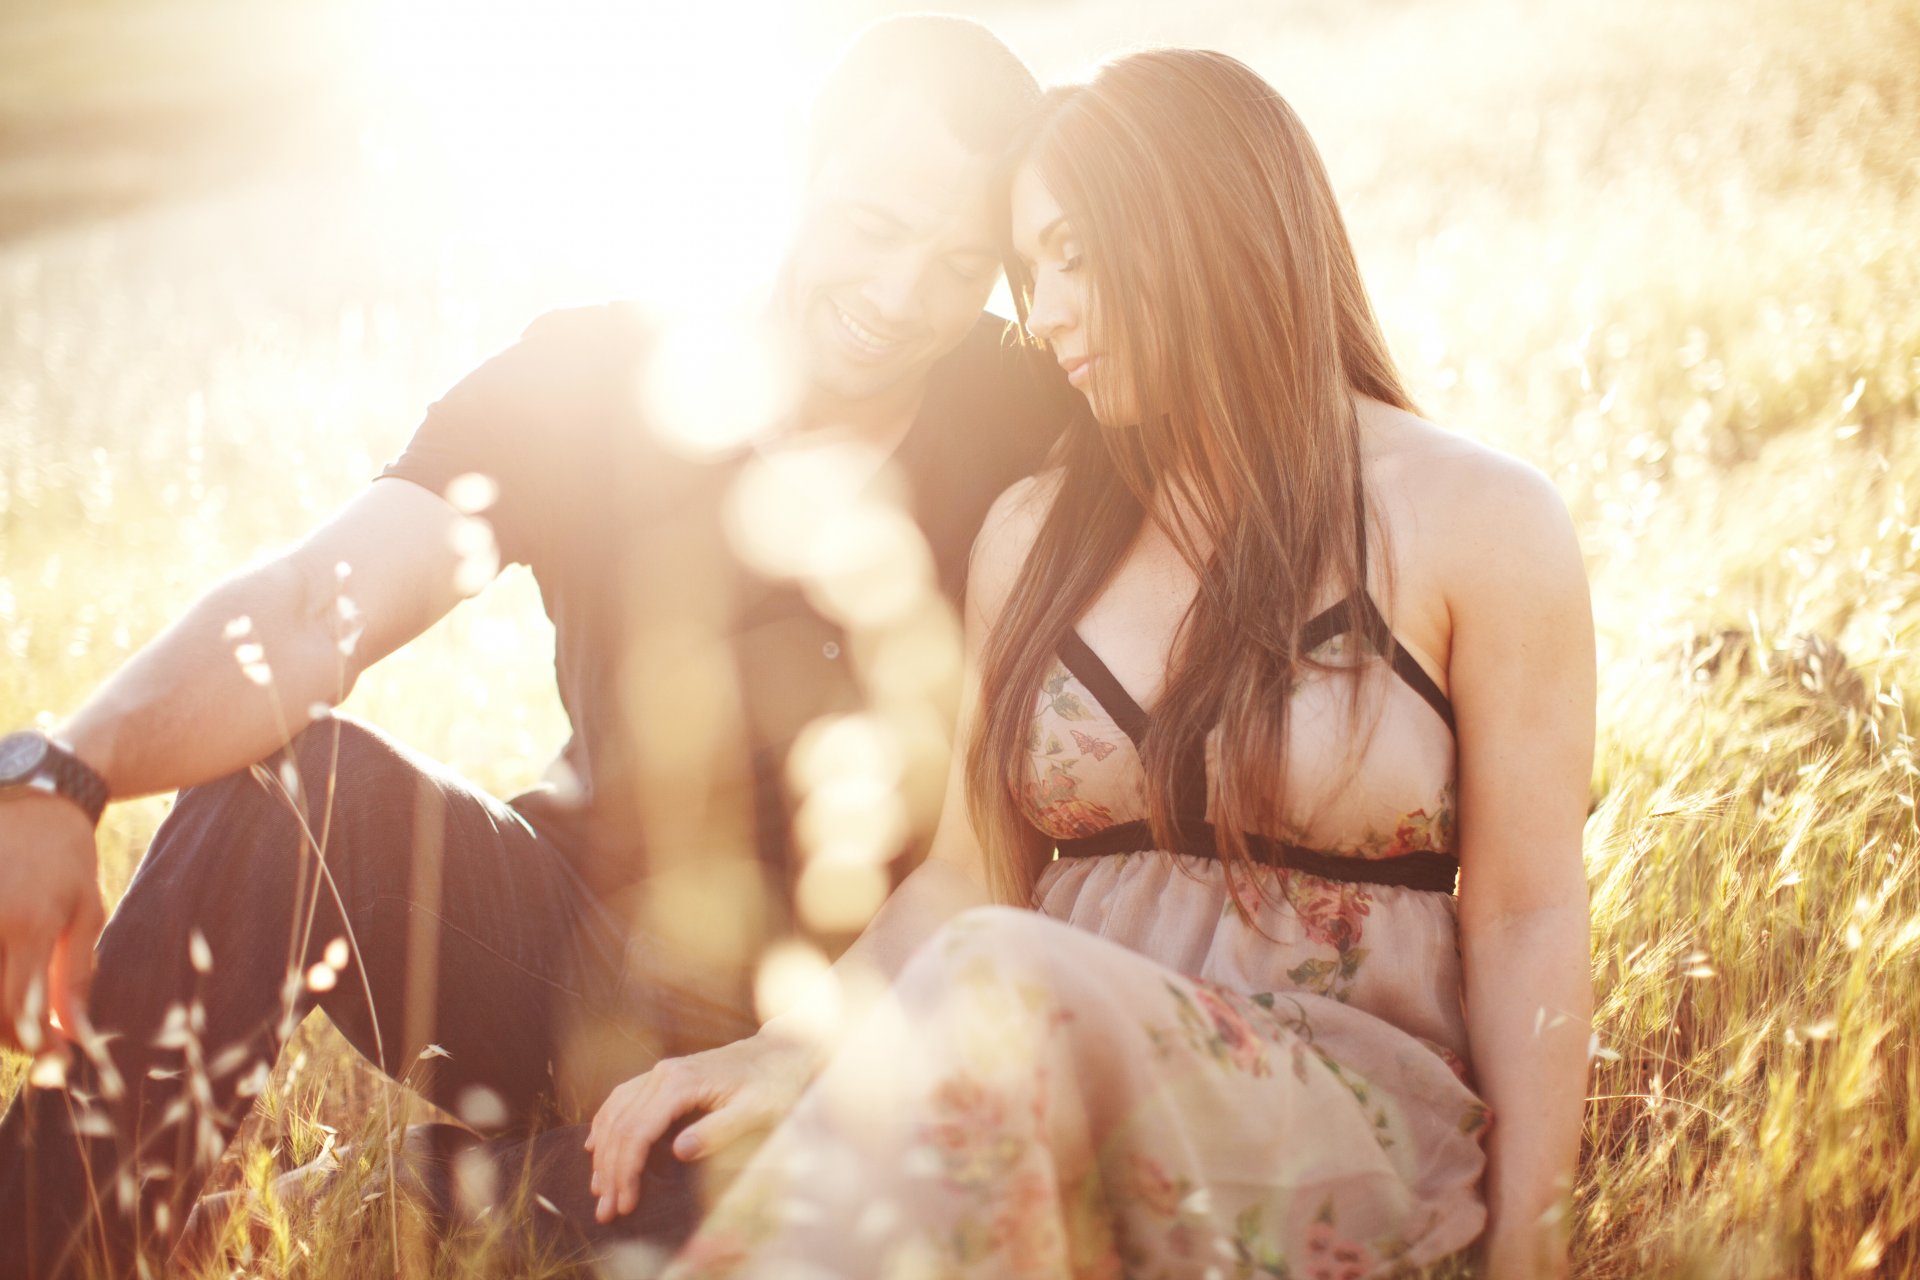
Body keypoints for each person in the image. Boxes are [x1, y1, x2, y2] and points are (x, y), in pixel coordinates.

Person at [0, 16, 1075, 1276]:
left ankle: (442, 1192)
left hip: (845, 1029)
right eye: (877, 228)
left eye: (961, 263)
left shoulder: (1030, 417)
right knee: (289, 790)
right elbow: (310, 605)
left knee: (848, 1219)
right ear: (800, 158)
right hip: (567, 953)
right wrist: (63, 770)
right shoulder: (594, 376)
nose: (904, 301)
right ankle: (46, 1234)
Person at [582, 49, 1596, 1280]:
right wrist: (778, 1050)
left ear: (1203, 227)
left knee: (996, 991)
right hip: (1040, 1110)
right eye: (1029, 269)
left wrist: (1532, 1247)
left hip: (1340, 1128)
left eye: (1075, 255)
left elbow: (1527, 910)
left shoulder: (1479, 518)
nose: (1044, 310)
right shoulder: (1035, 533)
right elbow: (968, 878)